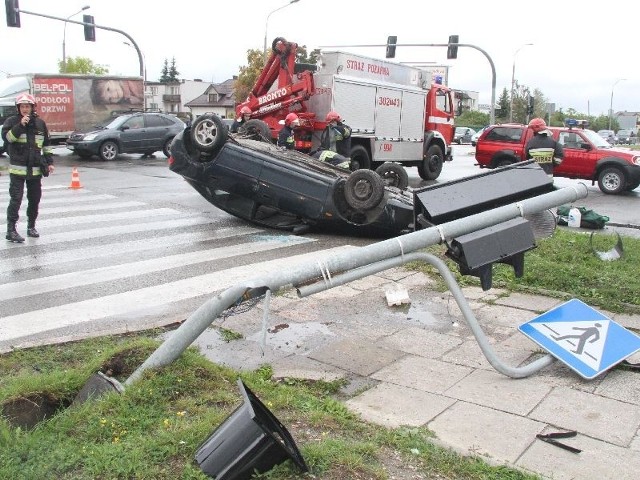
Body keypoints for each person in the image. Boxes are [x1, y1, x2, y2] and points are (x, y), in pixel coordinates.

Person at [2, 93, 55, 243]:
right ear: (18, 108)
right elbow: (8, 139)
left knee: (34, 199)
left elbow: (46, 144)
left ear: (32, 108)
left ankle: (31, 227)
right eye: (22, 106)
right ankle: (11, 231)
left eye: (28, 106)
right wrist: (20, 125)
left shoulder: (40, 123)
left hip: (35, 169)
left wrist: (50, 162)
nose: (25, 109)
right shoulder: (11, 122)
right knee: (16, 200)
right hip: (18, 169)